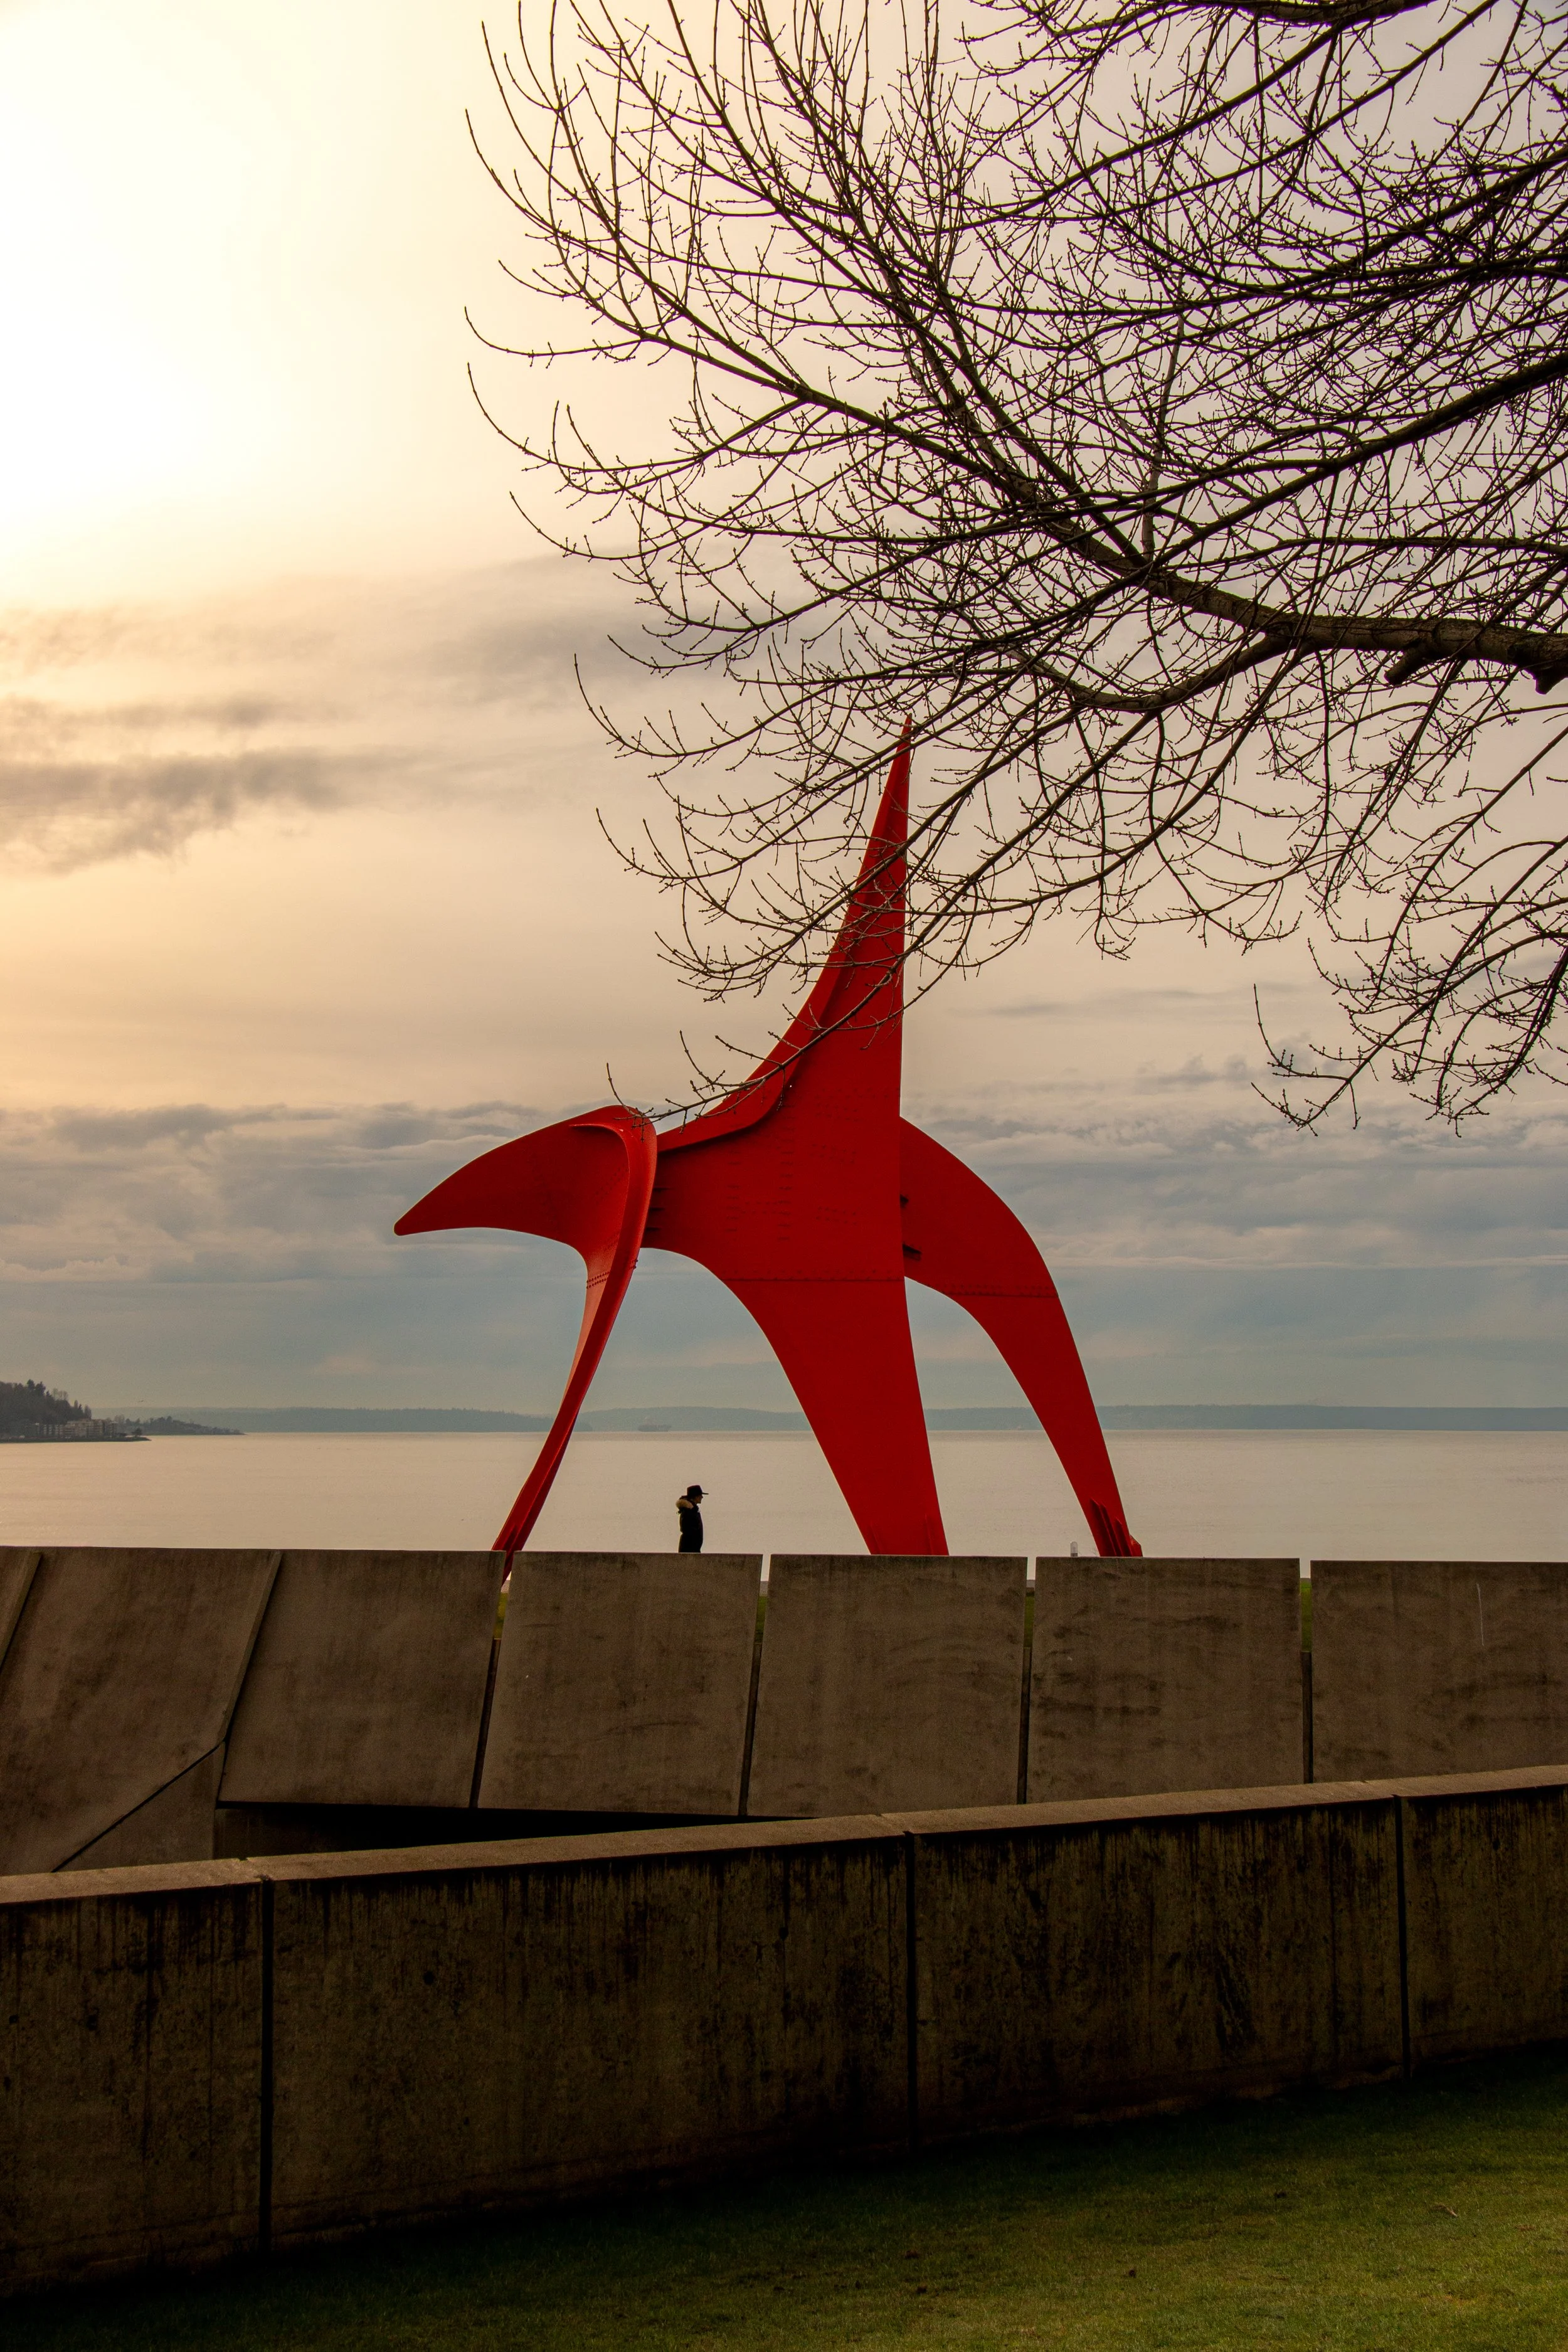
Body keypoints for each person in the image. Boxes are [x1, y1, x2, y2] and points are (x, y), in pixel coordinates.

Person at [676, 1483, 706, 1552]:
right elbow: (687, 1531)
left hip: (692, 1549)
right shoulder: (689, 1510)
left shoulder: (692, 1510)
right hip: (689, 1549)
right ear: (696, 1496)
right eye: (700, 1495)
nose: (702, 1497)